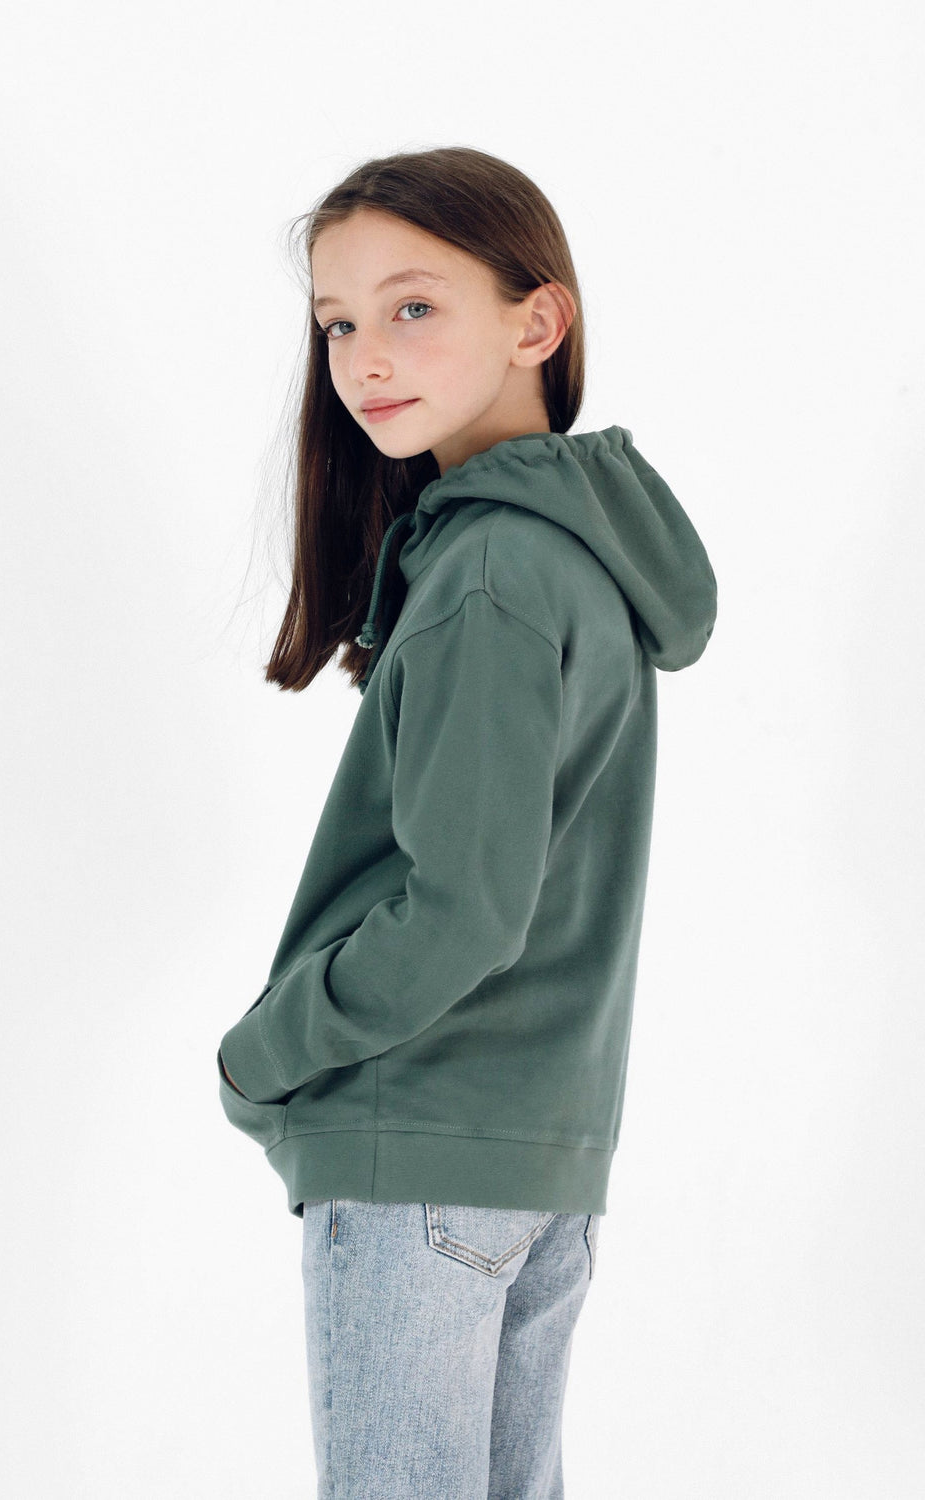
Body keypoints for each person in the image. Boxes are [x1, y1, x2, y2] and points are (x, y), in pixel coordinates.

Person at [216, 145, 718, 1499]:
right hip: (537, 1156)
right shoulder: (567, 557)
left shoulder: (491, 570)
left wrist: (264, 1054)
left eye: (413, 306)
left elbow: (464, 913)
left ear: (536, 322)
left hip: (420, 1147)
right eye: (337, 323)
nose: (363, 356)